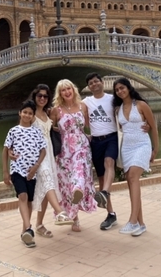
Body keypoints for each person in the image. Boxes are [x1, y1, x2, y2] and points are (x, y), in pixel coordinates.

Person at [112, 77, 160, 237]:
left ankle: (132, 221)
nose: (120, 91)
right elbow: (120, 130)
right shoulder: (118, 110)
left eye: (122, 88)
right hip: (126, 148)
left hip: (142, 145)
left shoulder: (141, 105)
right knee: (132, 182)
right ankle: (141, 224)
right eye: (117, 90)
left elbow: (153, 127)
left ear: (128, 87)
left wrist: (155, 149)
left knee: (133, 176)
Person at [50, 79, 96, 232]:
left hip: (81, 146)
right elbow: (48, 129)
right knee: (66, 183)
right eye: (63, 90)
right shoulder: (57, 110)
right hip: (64, 150)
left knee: (80, 169)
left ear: (73, 89)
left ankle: (78, 189)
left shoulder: (83, 106)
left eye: (68, 88)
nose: (67, 92)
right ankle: (74, 218)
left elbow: (90, 126)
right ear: (60, 93)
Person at [28, 84, 74, 237]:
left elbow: (51, 130)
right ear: (34, 96)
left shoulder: (48, 114)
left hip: (49, 154)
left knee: (47, 189)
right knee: (47, 181)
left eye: (45, 96)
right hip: (36, 155)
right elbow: (20, 132)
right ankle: (60, 212)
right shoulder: (30, 114)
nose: (42, 98)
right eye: (39, 95)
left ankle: (39, 225)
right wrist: (13, 151)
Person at [2, 100, 48, 248]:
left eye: (30, 113)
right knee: (22, 196)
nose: (27, 115)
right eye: (25, 112)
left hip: (31, 172)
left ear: (33, 116)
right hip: (17, 170)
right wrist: (5, 172)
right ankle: (29, 228)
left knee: (28, 202)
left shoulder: (36, 131)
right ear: (20, 113)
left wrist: (36, 167)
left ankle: (25, 233)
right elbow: (5, 151)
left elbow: (43, 151)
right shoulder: (13, 131)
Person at [82, 72, 119, 230]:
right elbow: (76, 118)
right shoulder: (86, 102)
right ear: (89, 87)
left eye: (97, 81)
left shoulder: (111, 99)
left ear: (102, 82)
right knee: (102, 177)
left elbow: (127, 111)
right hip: (96, 141)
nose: (94, 84)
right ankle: (111, 214)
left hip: (111, 137)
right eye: (91, 83)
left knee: (109, 162)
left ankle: (104, 192)